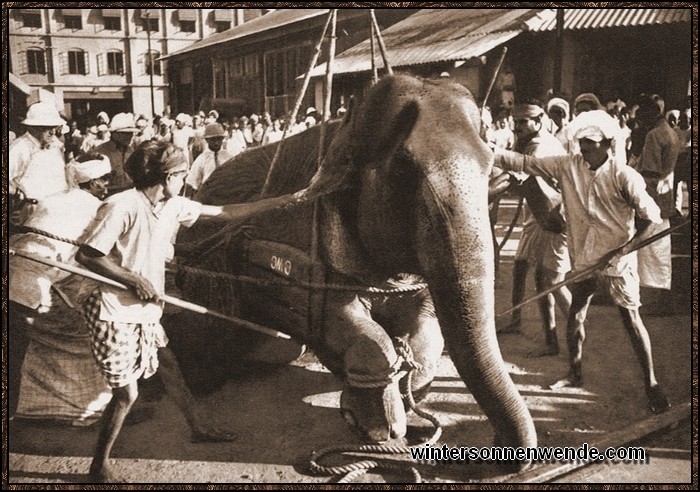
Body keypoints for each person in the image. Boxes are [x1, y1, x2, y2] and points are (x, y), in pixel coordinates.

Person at [75, 140, 301, 483]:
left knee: (169, 365)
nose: (183, 180)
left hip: (146, 305)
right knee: (126, 394)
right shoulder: (121, 205)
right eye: (180, 174)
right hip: (112, 307)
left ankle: (199, 427)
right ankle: (99, 466)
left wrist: (283, 201)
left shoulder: (173, 205)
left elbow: (225, 212)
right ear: (165, 177)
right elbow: (89, 255)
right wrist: (133, 278)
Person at [493, 110, 671, 415]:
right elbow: (525, 163)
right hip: (585, 257)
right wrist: (489, 151)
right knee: (575, 316)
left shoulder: (623, 176)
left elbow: (651, 220)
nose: (583, 148)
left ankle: (652, 384)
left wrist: (622, 250)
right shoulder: (568, 166)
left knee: (631, 321)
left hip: (617, 262)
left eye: (590, 142)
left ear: (607, 143)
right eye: (581, 142)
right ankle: (574, 372)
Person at [9, 154, 114, 423]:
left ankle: (36, 406)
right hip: (37, 290)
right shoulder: (98, 209)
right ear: (93, 183)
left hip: (12, 279)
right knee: (93, 331)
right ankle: (84, 409)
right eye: (105, 180)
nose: (107, 186)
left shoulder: (52, 199)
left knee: (19, 345)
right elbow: (97, 256)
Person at [500, 102, 571, 357]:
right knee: (522, 266)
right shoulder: (529, 142)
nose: (517, 127)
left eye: (523, 122)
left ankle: (573, 336)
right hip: (541, 213)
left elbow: (511, 179)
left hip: (557, 215)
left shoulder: (539, 146)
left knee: (550, 281)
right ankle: (522, 322)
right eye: (515, 122)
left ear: (538, 122)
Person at [631, 94, 680, 293]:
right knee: (659, 246)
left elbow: (650, 171)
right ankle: (657, 289)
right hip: (665, 193)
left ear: (651, 113)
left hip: (653, 194)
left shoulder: (654, 135)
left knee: (647, 245)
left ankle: (650, 291)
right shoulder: (670, 132)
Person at [9, 102, 69, 225]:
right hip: (32, 212)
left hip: (58, 211)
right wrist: (16, 193)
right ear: (32, 127)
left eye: (54, 127)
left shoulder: (54, 146)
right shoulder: (20, 148)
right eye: (46, 127)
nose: (52, 132)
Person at [95, 113, 139, 196]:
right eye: (125, 133)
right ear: (114, 134)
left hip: (131, 193)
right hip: (110, 195)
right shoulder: (101, 151)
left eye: (131, 133)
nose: (130, 136)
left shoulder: (131, 150)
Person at [185, 122, 233, 195]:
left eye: (219, 139)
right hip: (207, 195)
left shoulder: (228, 157)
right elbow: (192, 183)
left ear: (222, 139)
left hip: (226, 194)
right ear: (207, 140)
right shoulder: (202, 159)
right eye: (213, 139)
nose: (216, 143)